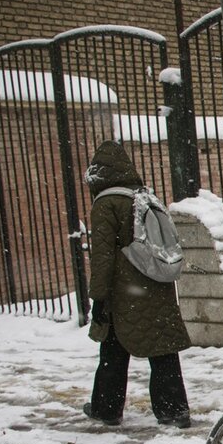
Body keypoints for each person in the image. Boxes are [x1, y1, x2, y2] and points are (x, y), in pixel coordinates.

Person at [83, 141, 192, 428]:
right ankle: (174, 410)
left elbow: (103, 258)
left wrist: (98, 298)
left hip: (124, 293)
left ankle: (106, 408)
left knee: (112, 350)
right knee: (163, 349)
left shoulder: (106, 204)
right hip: (155, 287)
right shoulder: (143, 196)